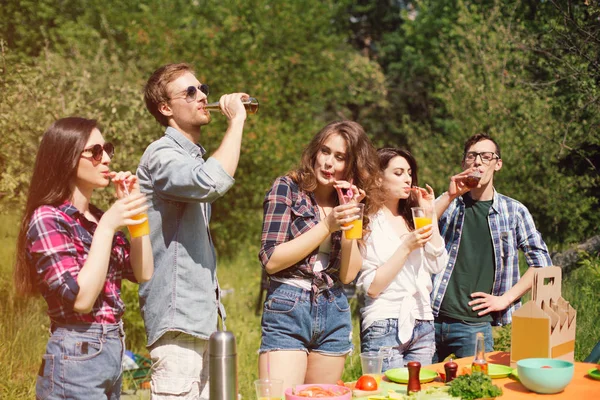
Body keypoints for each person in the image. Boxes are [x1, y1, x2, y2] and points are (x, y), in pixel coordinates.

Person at [14, 117, 154, 399]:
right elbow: (81, 300)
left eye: (107, 149)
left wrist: (136, 214)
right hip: (76, 354)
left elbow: (143, 272)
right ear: (67, 157)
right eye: (95, 152)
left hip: (112, 349)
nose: (106, 160)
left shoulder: (99, 218)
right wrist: (108, 226)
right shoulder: (47, 218)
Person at [137, 63, 248, 399]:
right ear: (166, 108)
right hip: (177, 325)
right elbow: (211, 182)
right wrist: (237, 122)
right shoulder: (161, 155)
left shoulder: (190, 159)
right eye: (190, 91)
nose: (202, 97)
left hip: (200, 323)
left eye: (203, 89)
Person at [258, 120, 381, 391]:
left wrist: (351, 220)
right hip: (288, 306)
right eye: (325, 151)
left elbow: (348, 275)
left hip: (333, 307)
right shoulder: (287, 188)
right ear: (314, 152)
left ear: (351, 165)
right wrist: (327, 225)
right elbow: (271, 260)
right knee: (281, 397)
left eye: (339, 157)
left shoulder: (350, 202)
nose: (328, 163)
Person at [431, 133, 552, 362]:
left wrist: (504, 300)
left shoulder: (514, 211)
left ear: (498, 164)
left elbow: (542, 264)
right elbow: (417, 233)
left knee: (476, 389)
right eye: (472, 156)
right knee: (423, 392)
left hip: (475, 327)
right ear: (463, 164)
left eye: (486, 156)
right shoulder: (447, 203)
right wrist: (449, 195)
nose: (478, 162)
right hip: (430, 320)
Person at [357, 148, 449, 370]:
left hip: (423, 321)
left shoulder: (413, 218)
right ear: (378, 177)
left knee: (420, 393)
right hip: (384, 323)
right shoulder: (367, 222)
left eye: (409, 172)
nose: (407, 178)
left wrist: (428, 215)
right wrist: (406, 246)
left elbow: (437, 264)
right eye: (398, 173)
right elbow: (372, 287)